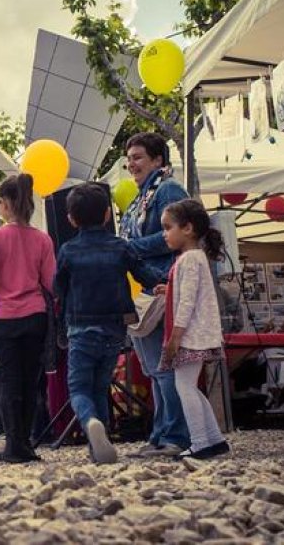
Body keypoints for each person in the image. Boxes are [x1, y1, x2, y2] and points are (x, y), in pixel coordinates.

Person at [54, 184, 161, 464]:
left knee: (79, 389)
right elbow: (145, 275)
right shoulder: (120, 246)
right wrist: (166, 279)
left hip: (81, 329)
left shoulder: (67, 250)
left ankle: (91, 423)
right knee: (101, 386)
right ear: (106, 215)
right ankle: (101, 445)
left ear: (71, 219)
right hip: (114, 329)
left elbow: (58, 289)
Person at [117, 132, 191, 458]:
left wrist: (129, 248)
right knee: (154, 369)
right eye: (129, 159)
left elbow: (175, 235)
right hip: (144, 291)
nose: (131, 164)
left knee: (164, 367)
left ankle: (175, 436)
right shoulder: (140, 197)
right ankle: (161, 434)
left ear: (158, 159)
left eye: (138, 157)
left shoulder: (168, 189)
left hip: (163, 286)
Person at [0, 173, 56, 464]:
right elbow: (51, 282)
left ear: (5, 203)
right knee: (30, 382)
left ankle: (14, 443)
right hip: (35, 315)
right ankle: (25, 442)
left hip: (4, 317)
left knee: (9, 381)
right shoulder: (42, 239)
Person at [159, 199, 230, 460]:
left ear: (187, 228)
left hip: (190, 335)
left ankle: (200, 442)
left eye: (168, 228)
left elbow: (187, 301)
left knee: (185, 386)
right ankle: (214, 440)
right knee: (190, 386)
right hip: (199, 333)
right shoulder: (196, 258)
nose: (164, 234)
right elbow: (188, 293)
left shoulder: (189, 259)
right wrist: (168, 289)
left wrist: (175, 337)